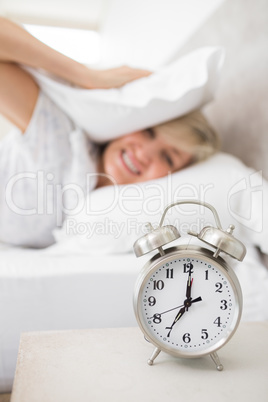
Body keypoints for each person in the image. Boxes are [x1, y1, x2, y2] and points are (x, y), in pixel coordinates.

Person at [0, 17, 219, 247]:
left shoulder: (112, 224)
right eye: (148, 132)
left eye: (168, 157)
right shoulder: (62, 139)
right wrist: (87, 76)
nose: (144, 153)